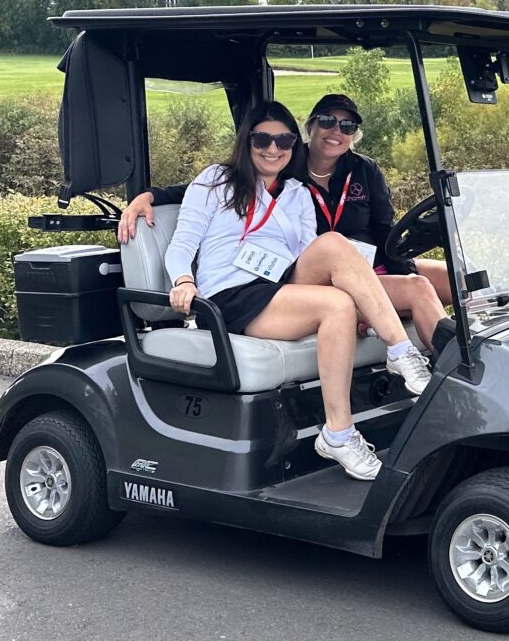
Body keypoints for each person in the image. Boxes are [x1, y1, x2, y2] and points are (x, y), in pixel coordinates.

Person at [158, 100, 431, 482]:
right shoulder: (216, 180)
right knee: (337, 305)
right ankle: (345, 426)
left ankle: (399, 358)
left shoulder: (296, 193)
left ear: (292, 145)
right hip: (231, 294)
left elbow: (308, 253)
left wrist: (362, 297)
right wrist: (183, 280)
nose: (273, 149)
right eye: (262, 140)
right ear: (247, 140)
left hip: (280, 282)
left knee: (334, 245)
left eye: (283, 141)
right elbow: (182, 244)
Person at [123, 92, 450, 350]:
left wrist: (403, 269)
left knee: (437, 281)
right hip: (307, 272)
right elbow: (220, 184)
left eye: (347, 126)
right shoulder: (285, 162)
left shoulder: (363, 170)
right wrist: (151, 194)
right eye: (328, 121)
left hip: (365, 265)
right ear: (311, 126)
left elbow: (384, 228)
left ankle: (455, 369)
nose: (336, 131)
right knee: (340, 258)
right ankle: (404, 350)